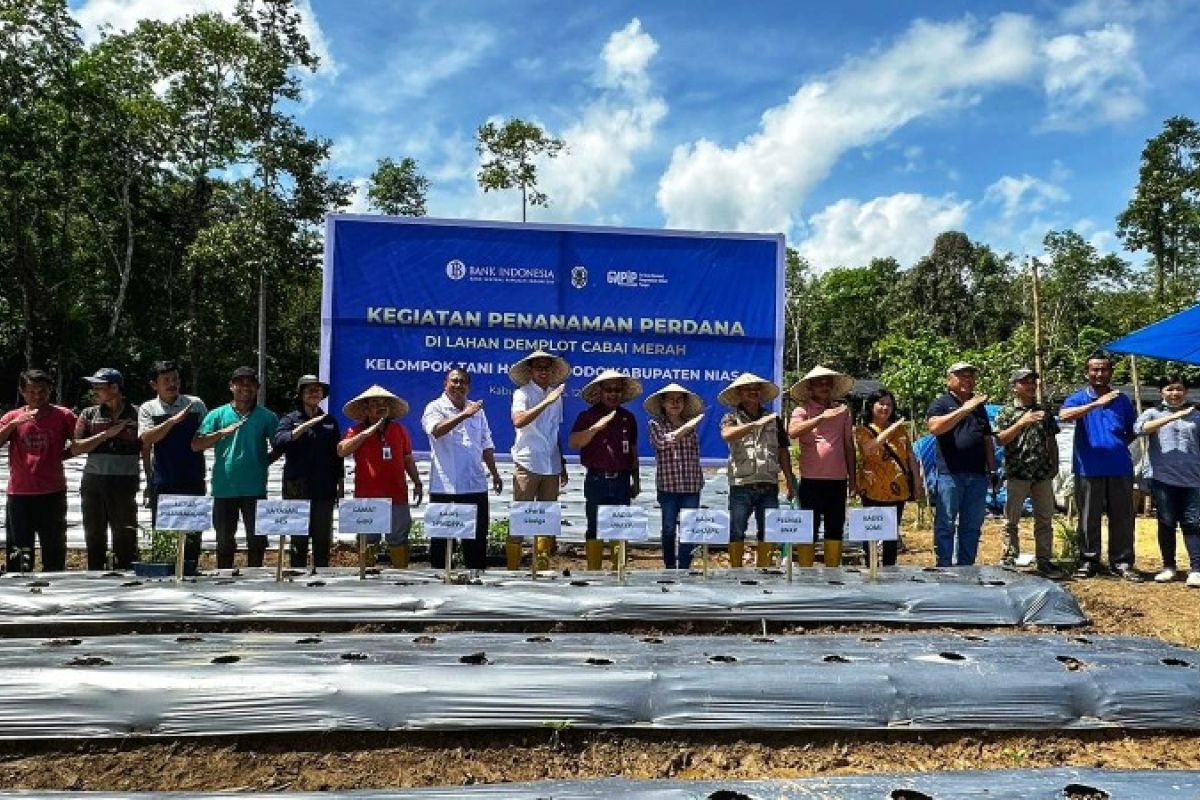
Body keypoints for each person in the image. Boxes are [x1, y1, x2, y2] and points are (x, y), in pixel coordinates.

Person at [1060, 353, 1140, 581]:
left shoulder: (1122, 400)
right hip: (1088, 467)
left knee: (1123, 518)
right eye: (1094, 370)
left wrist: (1115, 445)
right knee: (1088, 517)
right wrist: (1096, 404)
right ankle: (1088, 561)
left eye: (1104, 370)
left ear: (1110, 373)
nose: (1099, 374)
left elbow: (1132, 430)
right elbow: (1064, 415)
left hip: (1120, 467)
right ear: (1087, 373)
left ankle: (1122, 562)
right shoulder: (1079, 398)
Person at [192, 367, 278, 569]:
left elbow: (280, 445)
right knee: (224, 540)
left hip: (255, 488)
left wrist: (264, 461)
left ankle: (256, 579)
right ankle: (223, 577)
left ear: (257, 387)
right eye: (240, 382)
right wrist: (221, 433)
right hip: (224, 487)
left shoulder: (267, 417)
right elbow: (196, 444)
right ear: (231, 386)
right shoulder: (217, 415)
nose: (245, 387)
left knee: (256, 540)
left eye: (250, 383)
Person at [422, 369, 503, 571]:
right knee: (442, 541)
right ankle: (439, 580)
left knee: (476, 538)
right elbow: (437, 431)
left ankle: (475, 578)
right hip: (445, 486)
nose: (458, 385)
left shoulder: (477, 410)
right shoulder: (434, 407)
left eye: (463, 382)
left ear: (469, 386)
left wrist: (494, 473)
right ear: (445, 384)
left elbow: (486, 444)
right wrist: (463, 415)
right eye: (454, 381)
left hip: (474, 483)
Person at [0, 370, 77, 572]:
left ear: (50, 390)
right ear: (22, 392)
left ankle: (55, 591)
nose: (37, 396)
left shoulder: (64, 416)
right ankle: (18, 594)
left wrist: (62, 455)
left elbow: (80, 443)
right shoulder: (12, 417)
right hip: (19, 493)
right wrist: (14, 425)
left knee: (54, 548)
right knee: (18, 550)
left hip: (52, 492)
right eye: (31, 391)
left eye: (42, 391)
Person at [993, 369, 1066, 579]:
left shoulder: (1044, 411)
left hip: (1042, 473)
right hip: (1017, 472)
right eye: (1025, 382)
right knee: (1011, 520)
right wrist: (1022, 422)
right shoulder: (1006, 412)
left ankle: (1044, 561)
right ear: (1015, 386)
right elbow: (1001, 439)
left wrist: (1054, 465)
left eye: (1033, 382)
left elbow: (1051, 440)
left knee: (1044, 519)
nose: (1031, 386)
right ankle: (1009, 559)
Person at [71, 368, 146, 570]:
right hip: (94, 483)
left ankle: (127, 579)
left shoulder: (139, 414)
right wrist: (106, 434)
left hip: (125, 482)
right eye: (93, 386)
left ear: (115, 388)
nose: (94, 391)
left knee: (125, 535)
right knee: (94, 534)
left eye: (99, 386)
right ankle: (95, 577)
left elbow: (148, 447)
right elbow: (76, 447)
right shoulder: (88, 414)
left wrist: (150, 479)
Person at [339, 384, 422, 567]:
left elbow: (408, 459)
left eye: (384, 402)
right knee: (367, 540)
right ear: (366, 408)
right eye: (375, 403)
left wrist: (417, 482)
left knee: (399, 539)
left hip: (397, 495)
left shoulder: (399, 430)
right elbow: (341, 450)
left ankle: (401, 578)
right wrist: (366, 433)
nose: (381, 406)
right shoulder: (356, 430)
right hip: (367, 497)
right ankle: (366, 578)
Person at [719, 373, 795, 568]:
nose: (753, 392)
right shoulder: (731, 418)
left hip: (768, 484)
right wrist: (753, 425)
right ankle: (736, 570)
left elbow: (782, 450)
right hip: (741, 485)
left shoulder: (774, 419)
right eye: (747, 389)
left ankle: (765, 569)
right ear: (739, 393)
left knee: (768, 530)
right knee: (736, 531)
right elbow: (727, 435)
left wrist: (789, 479)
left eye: (756, 389)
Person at [568, 369, 642, 571]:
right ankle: (594, 570)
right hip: (596, 480)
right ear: (600, 391)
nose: (613, 394)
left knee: (620, 526)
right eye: (608, 389)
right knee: (594, 526)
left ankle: (618, 571)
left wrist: (636, 479)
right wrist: (595, 428)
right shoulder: (587, 415)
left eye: (617, 390)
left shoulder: (628, 417)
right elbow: (574, 442)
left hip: (621, 480)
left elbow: (633, 449)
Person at [139, 360, 208, 571]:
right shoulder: (148, 408)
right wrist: (173, 421)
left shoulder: (196, 404)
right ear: (154, 385)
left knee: (192, 538)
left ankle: (190, 573)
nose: (172, 384)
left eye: (175, 379)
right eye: (166, 380)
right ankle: (164, 580)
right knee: (164, 539)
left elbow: (206, 435)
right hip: (164, 482)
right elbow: (147, 439)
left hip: (193, 480)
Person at [926, 361, 995, 567]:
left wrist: (992, 470)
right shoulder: (941, 403)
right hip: (950, 473)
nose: (968, 379)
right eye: (962, 375)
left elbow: (986, 439)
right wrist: (964, 409)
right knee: (946, 522)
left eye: (971, 376)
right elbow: (935, 428)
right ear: (950, 380)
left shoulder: (979, 408)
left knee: (972, 525)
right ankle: (944, 565)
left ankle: (966, 566)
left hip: (977, 475)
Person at [1134, 375, 1200, 588]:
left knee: (1193, 523)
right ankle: (1169, 566)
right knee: (1167, 523)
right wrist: (1173, 417)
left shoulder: (1196, 416)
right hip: (1163, 479)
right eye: (1169, 389)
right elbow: (1140, 429)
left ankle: (1196, 569)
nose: (1174, 393)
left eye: (1179, 389)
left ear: (1186, 392)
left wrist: (1187, 414)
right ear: (1161, 392)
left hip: (1194, 479)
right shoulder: (1152, 413)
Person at [788, 366, 856, 567]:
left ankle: (833, 572)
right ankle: (807, 571)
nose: (824, 386)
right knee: (808, 528)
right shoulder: (802, 410)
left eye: (827, 382)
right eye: (819, 383)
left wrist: (853, 480)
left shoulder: (842, 411)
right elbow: (793, 432)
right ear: (810, 388)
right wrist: (820, 417)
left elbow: (849, 446)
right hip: (811, 480)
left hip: (837, 480)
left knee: (835, 528)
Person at [508, 350, 569, 570]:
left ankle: (541, 568)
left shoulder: (556, 394)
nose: (543, 371)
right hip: (527, 462)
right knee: (520, 517)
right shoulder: (522, 393)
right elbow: (519, 421)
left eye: (546, 367)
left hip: (551, 463)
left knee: (547, 518)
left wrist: (562, 464)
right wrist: (546, 402)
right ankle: (513, 569)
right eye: (539, 367)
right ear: (531, 370)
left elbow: (555, 431)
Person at [274, 374, 343, 569]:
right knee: (298, 538)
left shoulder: (330, 421)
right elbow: (279, 441)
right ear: (301, 394)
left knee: (322, 538)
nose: (314, 393)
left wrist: (340, 484)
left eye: (318, 390)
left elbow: (337, 455)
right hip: (296, 487)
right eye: (309, 389)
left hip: (324, 487)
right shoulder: (289, 419)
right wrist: (303, 427)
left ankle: (320, 577)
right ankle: (296, 575)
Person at [854, 388, 923, 567]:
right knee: (869, 531)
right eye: (881, 404)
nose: (885, 408)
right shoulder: (863, 430)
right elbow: (869, 449)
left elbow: (910, 457)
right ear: (871, 406)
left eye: (889, 405)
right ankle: (870, 568)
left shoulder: (901, 431)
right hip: (872, 488)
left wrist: (917, 482)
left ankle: (889, 571)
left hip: (897, 489)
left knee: (891, 534)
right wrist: (890, 428)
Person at [645, 383, 705, 570]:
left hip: (691, 486)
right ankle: (670, 566)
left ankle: (685, 567)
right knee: (669, 528)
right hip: (668, 486)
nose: (675, 403)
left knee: (689, 528)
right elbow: (662, 443)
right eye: (670, 399)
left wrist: (688, 426)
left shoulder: (691, 426)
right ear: (662, 403)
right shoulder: (655, 424)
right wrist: (687, 427)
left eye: (679, 400)